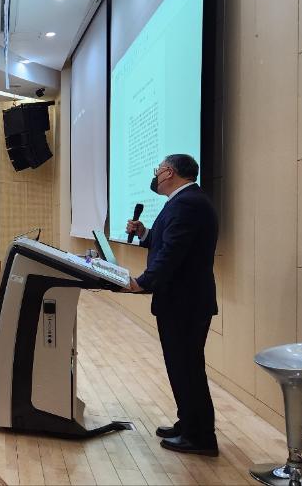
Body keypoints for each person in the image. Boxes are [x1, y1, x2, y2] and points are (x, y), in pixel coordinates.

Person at [124, 154, 219, 457]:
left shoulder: (187, 203)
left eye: (158, 170)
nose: (156, 175)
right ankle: (188, 424)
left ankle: (200, 438)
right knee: (182, 367)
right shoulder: (185, 201)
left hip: (185, 302)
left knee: (187, 368)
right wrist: (144, 233)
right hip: (182, 301)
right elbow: (166, 242)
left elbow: (173, 252)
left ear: (168, 173)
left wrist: (142, 282)